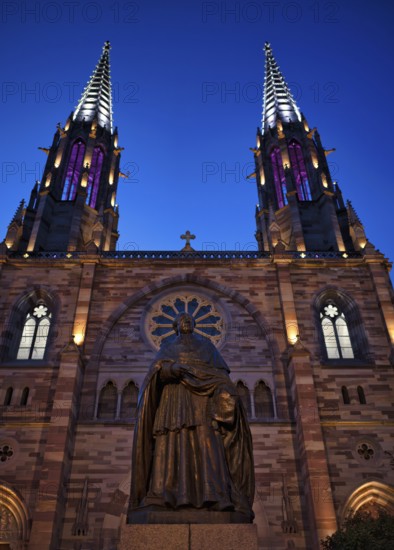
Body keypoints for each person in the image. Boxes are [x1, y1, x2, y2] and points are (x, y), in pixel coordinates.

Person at [128, 312, 254, 522]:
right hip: (173, 401)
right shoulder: (167, 348)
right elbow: (155, 374)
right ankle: (164, 494)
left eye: (189, 320)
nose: (186, 322)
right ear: (176, 326)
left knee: (208, 446)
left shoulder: (207, 347)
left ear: (194, 325)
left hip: (202, 404)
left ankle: (214, 495)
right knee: (169, 445)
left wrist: (223, 396)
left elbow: (221, 375)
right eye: (181, 320)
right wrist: (170, 369)